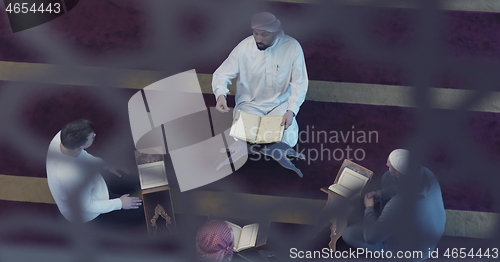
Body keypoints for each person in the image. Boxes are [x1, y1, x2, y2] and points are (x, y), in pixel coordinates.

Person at [212, 12, 308, 147]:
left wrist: (291, 110)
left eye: (264, 35)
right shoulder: (244, 47)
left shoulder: (292, 47)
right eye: (256, 33)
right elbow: (222, 74)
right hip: (249, 105)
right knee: (240, 140)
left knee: (285, 139)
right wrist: (220, 94)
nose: (258, 39)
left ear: (275, 32)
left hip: (280, 105)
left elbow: (299, 82)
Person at [342, 149, 446, 261]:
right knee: (387, 176)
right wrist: (382, 193)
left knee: (348, 234)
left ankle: (385, 233)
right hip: (427, 236)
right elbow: (408, 187)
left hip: (411, 252)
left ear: (398, 174)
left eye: (389, 166)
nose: (386, 165)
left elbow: (371, 238)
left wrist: (369, 208)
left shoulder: (399, 204)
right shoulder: (426, 173)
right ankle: (385, 223)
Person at [46, 119, 143, 227]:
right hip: (89, 213)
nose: (95, 135)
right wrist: (120, 203)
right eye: (92, 137)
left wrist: (107, 166)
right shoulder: (70, 176)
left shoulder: (62, 139)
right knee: (140, 210)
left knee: (131, 179)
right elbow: (87, 206)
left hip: (93, 185)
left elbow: (84, 155)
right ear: (78, 148)